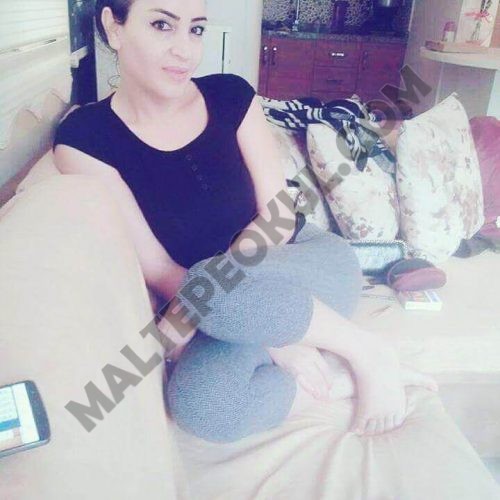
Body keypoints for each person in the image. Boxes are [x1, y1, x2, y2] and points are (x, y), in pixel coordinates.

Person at [52, 0, 438, 443]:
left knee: (212, 286)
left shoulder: (231, 96)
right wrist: (273, 335)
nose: (185, 50)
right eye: (162, 25)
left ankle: (369, 353)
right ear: (114, 27)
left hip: (306, 264)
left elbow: (277, 218)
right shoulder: (84, 140)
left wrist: (244, 307)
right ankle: (340, 380)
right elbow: (158, 269)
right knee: (202, 409)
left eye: (196, 29)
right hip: (216, 303)